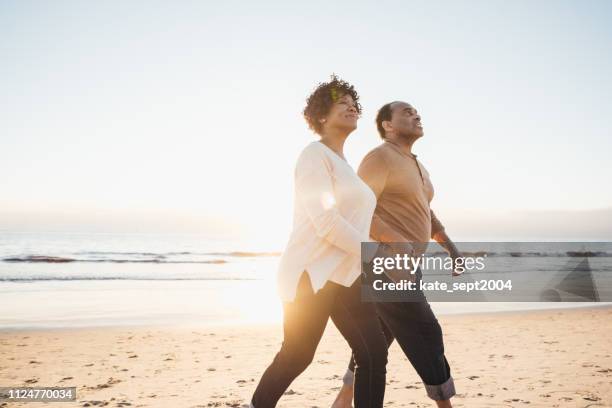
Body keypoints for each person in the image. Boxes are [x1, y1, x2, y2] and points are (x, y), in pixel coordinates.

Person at [248, 76, 388, 408]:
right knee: (297, 356)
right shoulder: (314, 155)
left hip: (346, 276)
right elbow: (325, 220)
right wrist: (373, 254)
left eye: (354, 103)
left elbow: (358, 221)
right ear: (322, 116)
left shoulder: (346, 167)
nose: (352, 107)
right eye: (342, 103)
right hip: (310, 275)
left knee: (374, 352)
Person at [331, 101, 460, 408]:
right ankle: (445, 404)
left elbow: (425, 213)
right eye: (406, 112)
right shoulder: (380, 158)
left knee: (378, 338)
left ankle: (342, 400)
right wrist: (395, 240)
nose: (416, 115)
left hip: (407, 265)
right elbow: (357, 208)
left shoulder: (417, 165)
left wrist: (451, 248)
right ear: (387, 125)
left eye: (417, 111)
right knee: (427, 332)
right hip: (384, 264)